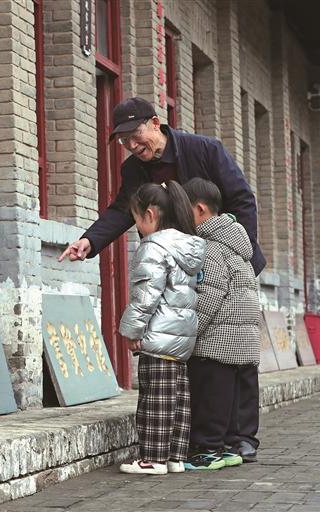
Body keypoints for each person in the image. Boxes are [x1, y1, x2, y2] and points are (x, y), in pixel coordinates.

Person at [58, 96, 266, 277]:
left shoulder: (205, 150)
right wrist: (89, 240)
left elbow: (242, 201)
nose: (132, 146)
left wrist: (240, 257)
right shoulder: (132, 169)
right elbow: (123, 210)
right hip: (174, 267)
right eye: (124, 140)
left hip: (223, 259)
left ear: (155, 123)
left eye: (136, 135)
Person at [117, 181, 206, 475]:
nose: (138, 227)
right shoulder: (188, 246)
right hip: (180, 338)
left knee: (155, 400)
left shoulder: (154, 246)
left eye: (137, 219)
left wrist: (132, 331)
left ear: (151, 214)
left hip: (158, 336)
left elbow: (146, 295)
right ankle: (174, 457)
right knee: (178, 400)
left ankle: (153, 458)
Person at [181, 178, 261, 470]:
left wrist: (187, 335)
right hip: (241, 342)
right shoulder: (238, 247)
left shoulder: (210, 249)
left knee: (210, 401)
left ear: (200, 210)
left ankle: (206, 451)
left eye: (183, 210)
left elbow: (207, 297)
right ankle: (231, 447)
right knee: (231, 403)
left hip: (216, 341)